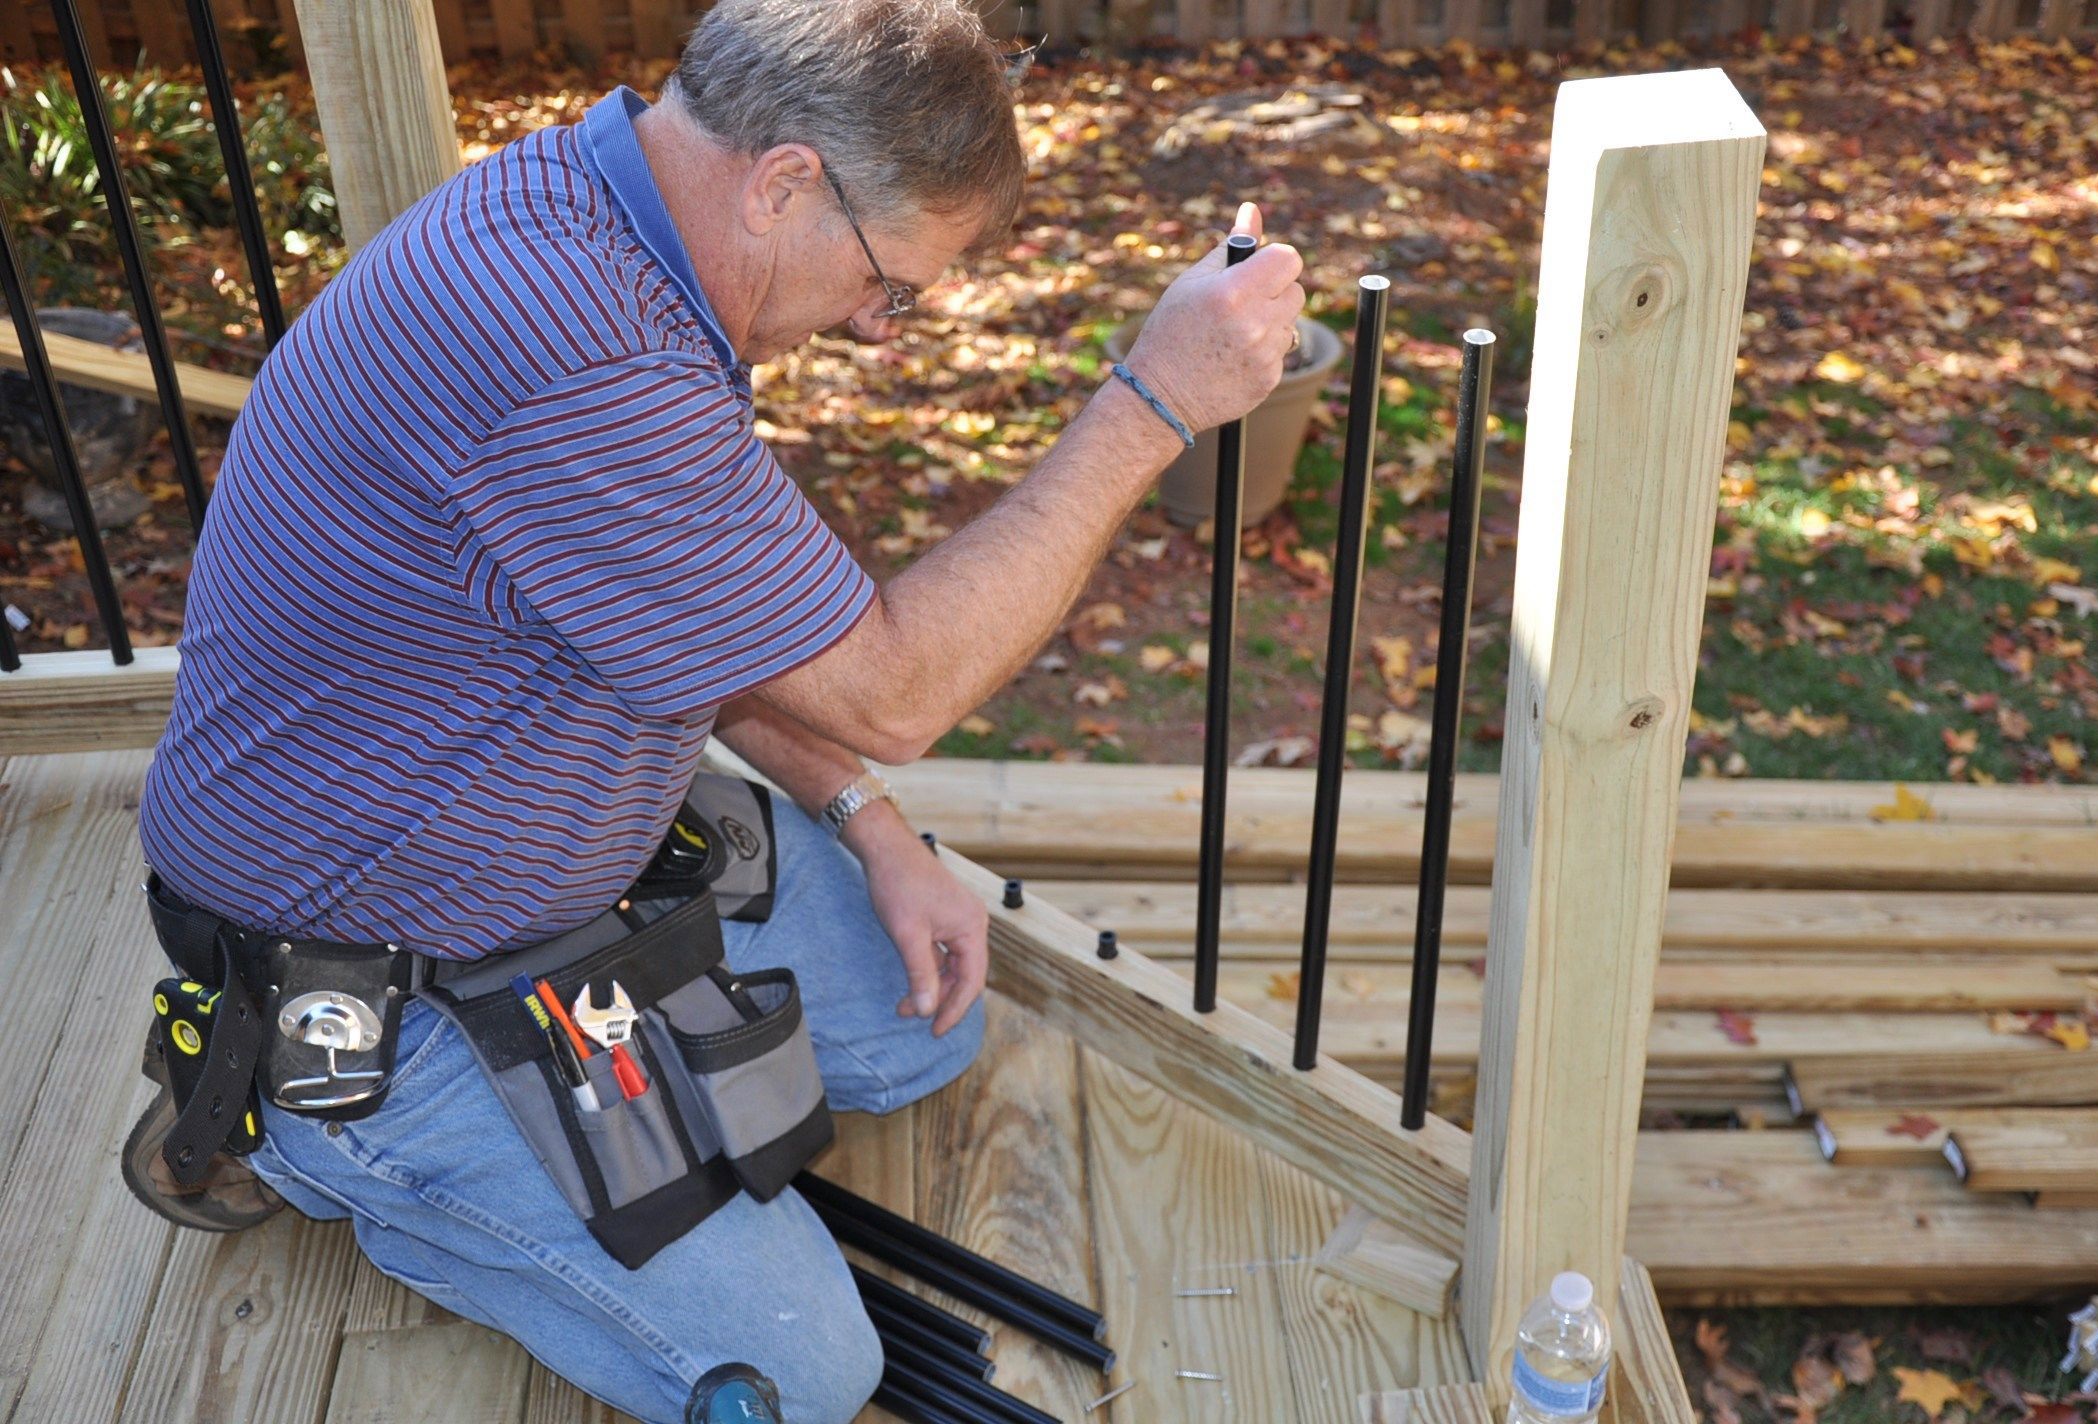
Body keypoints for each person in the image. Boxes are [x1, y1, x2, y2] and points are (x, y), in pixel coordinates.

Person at [126, 0, 1303, 1419]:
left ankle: (614, 1089)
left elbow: (704, 621)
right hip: (372, 970)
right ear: (787, 180)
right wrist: (1152, 406)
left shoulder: (596, 213)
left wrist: (871, 826)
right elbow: (896, 688)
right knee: (811, 1371)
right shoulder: (574, 353)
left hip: (567, 864)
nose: (883, 327)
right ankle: (350, 1162)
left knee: (922, 1031)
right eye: (894, 283)